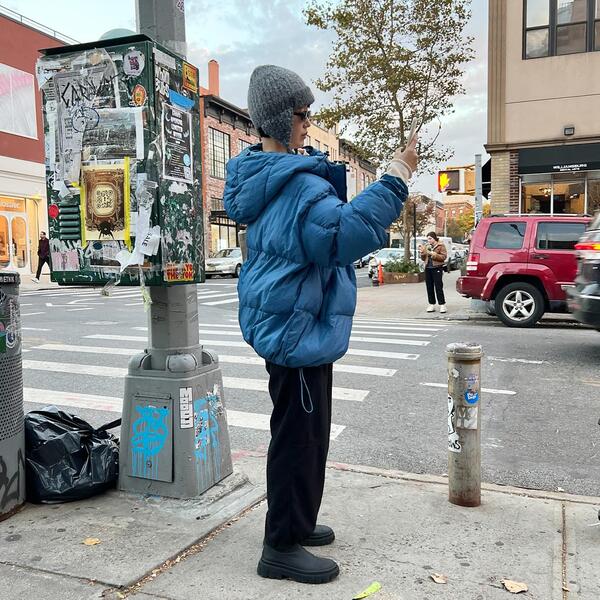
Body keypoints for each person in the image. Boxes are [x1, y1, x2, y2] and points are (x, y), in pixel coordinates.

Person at [223, 64, 418, 585]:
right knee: (299, 438)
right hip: (297, 327)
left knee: (303, 431)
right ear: (277, 118)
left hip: (292, 319)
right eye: (301, 114)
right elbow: (340, 238)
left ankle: (298, 521)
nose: (308, 123)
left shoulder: (276, 176)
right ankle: (281, 545)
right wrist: (395, 177)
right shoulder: (296, 187)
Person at [419, 231, 447, 313]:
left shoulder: (441, 245)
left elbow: (443, 257)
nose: (429, 240)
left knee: (438, 286)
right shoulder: (427, 246)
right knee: (429, 287)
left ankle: (442, 305)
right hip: (428, 268)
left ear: (434, 238)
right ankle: (431, 304)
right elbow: (423, 259)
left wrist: (433, 254)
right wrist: (422, 253)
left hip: (437, 268)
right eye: (428, 239)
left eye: (430, 238)